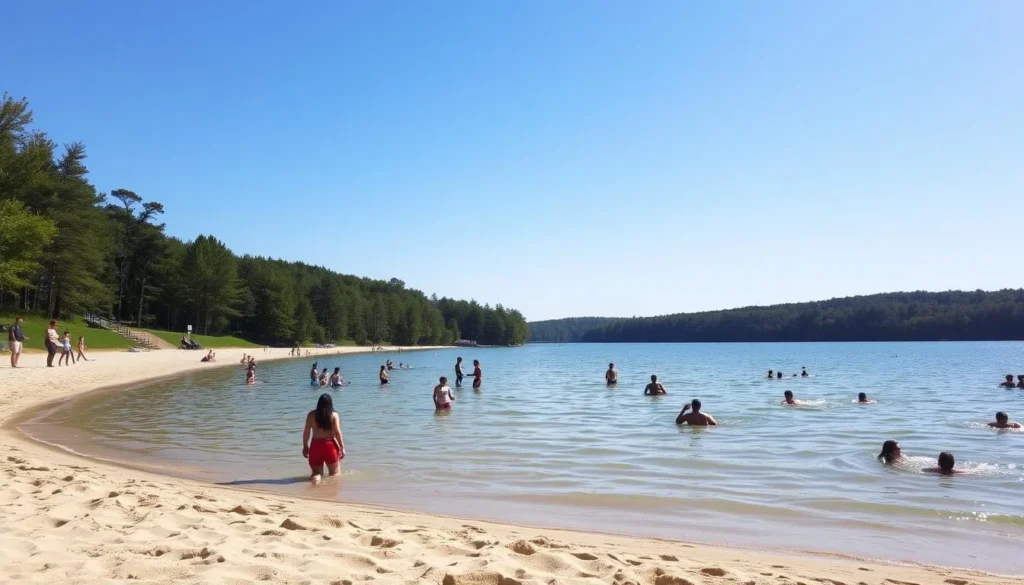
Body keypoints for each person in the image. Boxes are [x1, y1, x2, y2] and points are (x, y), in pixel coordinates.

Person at [302, 393, 345, 483]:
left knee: (316, 473)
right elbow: (337, 432)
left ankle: (315, 485)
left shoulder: (311, 415)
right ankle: (331, 493)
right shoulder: (334, 415)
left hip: (315, 446)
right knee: (335, 474)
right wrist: (342, 447)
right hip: (330, 446)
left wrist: (305, 446)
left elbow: (306, 432)